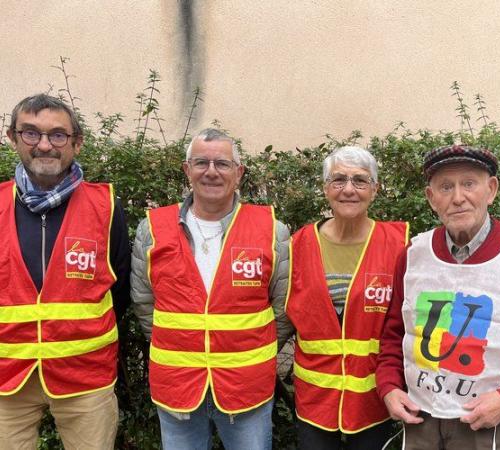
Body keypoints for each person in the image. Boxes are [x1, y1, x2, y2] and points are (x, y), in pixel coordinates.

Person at [376, 144, 500, 449]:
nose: (457, 197)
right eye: (445, 187)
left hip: (490, 424)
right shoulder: (414, 254)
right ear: (431, 198)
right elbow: (394, 334)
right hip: (421, 421)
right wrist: (388, 386)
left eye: (469, 183)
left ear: (491, 190)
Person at [130, 128, 291, 450]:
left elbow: (284, 306)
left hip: (247, 386)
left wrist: (253, 352)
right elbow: (143, 301)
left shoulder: (272, 231)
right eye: (201, 162)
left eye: (223, 164)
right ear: (187, 170)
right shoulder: (153, 229)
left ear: (239, 173)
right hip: (177, 384)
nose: (212, 172)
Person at [0, 94, 131, 449]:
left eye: (58, 135)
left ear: (77, 142)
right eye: (31, 133)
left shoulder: (106, 205)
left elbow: (119, 286)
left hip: (85, 378)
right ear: (13, 138)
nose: (44, 145)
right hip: (7, 378)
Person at [284, 146, 408, 449]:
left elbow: (408, 325)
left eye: (360, 181)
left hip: (375, 401)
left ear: (375, 189)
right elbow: (281, 314)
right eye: (338, 180)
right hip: (315, 401)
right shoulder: (296, 245)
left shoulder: (400, 244)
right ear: (326, 188)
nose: (348, 189)